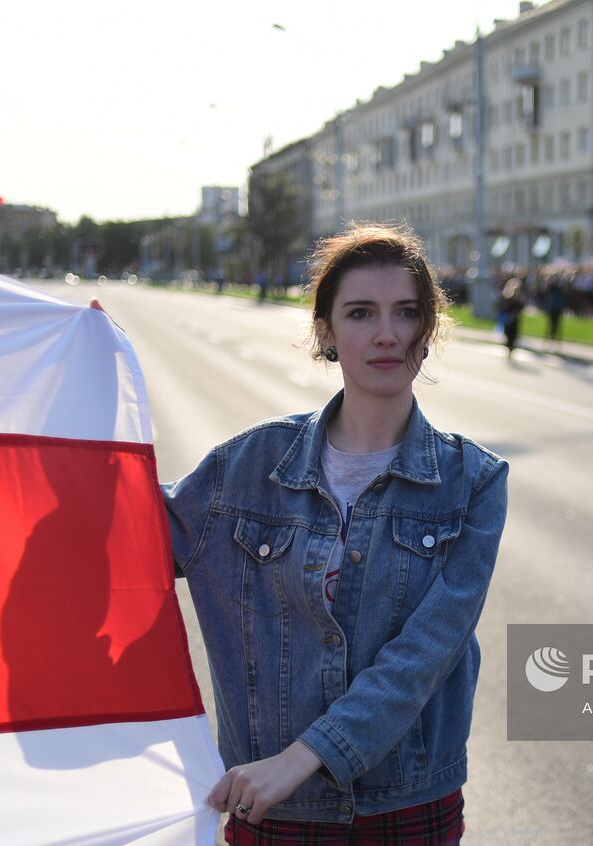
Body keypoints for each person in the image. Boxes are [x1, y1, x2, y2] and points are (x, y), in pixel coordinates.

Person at [162, 223, 509, 843]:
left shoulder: (472, 481)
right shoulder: (246, 467)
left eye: (406, 312)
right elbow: (119, 538)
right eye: (360, 313)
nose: (387, 333)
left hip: (406, 809)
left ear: (428, 330)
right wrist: (81, 374)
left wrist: (302, 759)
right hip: (273, 812)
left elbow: (424, 654)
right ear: (325, 331)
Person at [498, 276, 526, 360]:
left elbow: (520, 308)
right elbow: (503, 306)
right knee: (508, 334)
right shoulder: (507, 296)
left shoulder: (519, 299)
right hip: (508, 319)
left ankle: (511, 349)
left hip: (515, 320)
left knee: (513, 336)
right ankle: (509, 347)